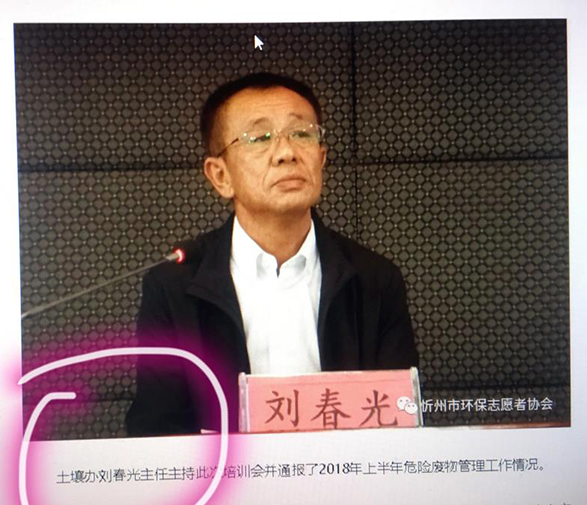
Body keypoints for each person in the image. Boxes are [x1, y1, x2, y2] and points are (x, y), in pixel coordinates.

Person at [125, 72, 418, 436]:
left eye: (302, 134)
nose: (286, 153)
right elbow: (156, 432)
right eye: (260, 138)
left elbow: (400, 422)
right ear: (220, 176)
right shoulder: (174, 287)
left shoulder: (375, 279)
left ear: (321, 158)